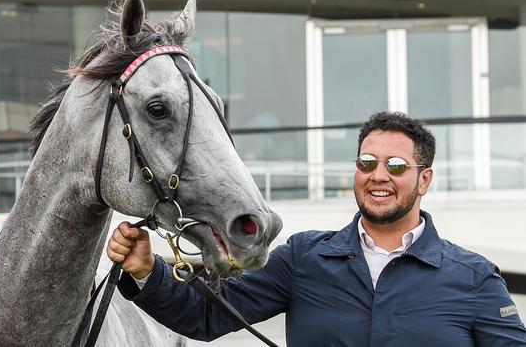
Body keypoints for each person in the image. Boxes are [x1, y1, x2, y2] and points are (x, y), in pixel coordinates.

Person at [106, 111, 526, 346]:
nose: (379, 175)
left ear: (425, 179)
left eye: (396, 166)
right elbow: (206, 318)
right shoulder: (304, 259)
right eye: (367, 163)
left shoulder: (473, 278)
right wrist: (147, 270)